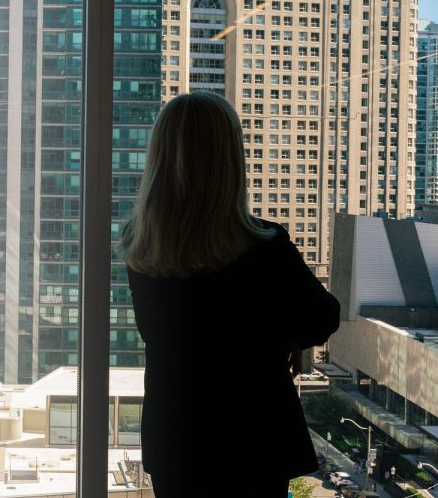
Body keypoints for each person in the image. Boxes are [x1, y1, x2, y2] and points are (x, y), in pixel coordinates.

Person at [119, 91, 341, 497]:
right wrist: (284, 339)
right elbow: (322, 318)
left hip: (176, 434)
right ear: (229, 159)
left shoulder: (139, 244)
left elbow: (175, 331)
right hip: (252, 433)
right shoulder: (263, 245)